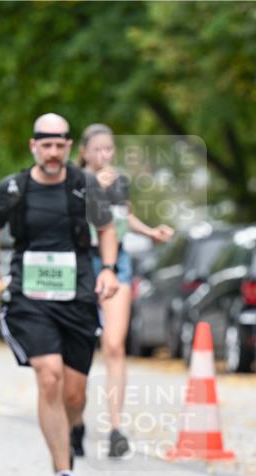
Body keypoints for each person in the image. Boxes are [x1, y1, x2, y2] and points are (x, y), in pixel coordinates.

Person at [0, 113, 119, 476]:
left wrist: (108, 270)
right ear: (33, 145)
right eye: (46, 144)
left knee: (74, 393)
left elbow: (106, 230)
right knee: (50, 377)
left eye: (60, 145)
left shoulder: (84, 186)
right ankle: (63, 473)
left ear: (69, 147)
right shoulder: (12, 189)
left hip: (78, 297)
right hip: (30, 297)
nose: (53, 152)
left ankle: (75, 422)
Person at [77, 124, 174, 458]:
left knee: (114, 345)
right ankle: (75, 420)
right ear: (84, 151)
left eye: (109, 149)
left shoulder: (119, 182)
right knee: (79, 347)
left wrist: (151, 233)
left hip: (117, 263)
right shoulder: (73, 181)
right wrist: (91, 191)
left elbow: (124, 218)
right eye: (98, 149)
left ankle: (116, 427)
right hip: (80, 265)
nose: (104, 155)